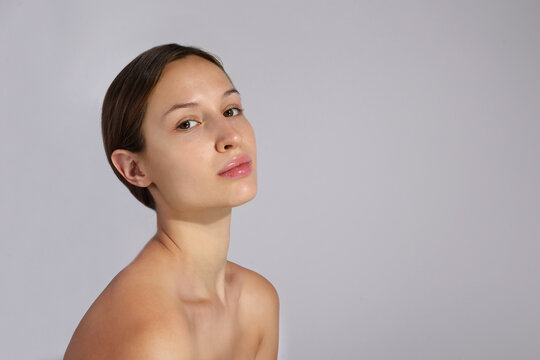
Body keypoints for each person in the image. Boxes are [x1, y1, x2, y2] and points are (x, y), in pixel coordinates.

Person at [64, 44, 279, 359]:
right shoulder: (153, 335)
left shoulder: (257, 301)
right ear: (134, 169)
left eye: (231, 110)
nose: (230, 136)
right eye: (187, 123)